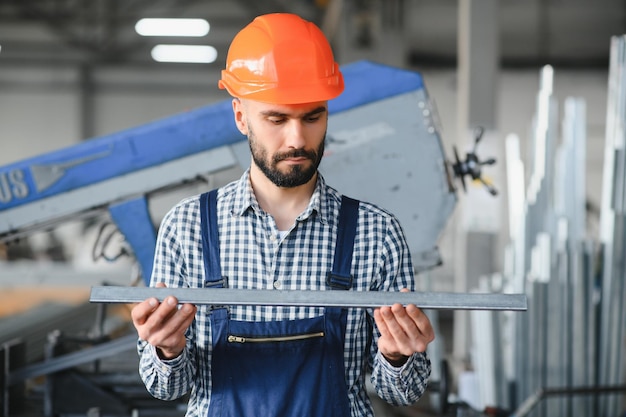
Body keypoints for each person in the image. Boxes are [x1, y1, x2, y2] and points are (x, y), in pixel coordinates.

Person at [130, 12, 435, 417]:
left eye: (313, 117)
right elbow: (165, 387)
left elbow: (402, 393)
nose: (297, 139)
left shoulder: (375, 234)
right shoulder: (186, 228)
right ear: (241, 117)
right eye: (276, 118)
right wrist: (167, 352)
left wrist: (397, 359)